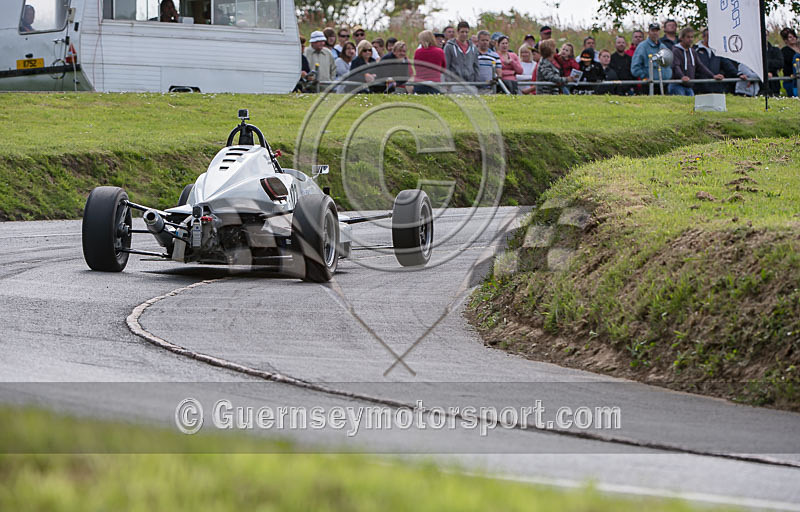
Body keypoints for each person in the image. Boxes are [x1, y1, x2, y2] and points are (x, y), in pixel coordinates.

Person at [669, 27, 722, 96]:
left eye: (692, 37)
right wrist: (682, 76)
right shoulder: (676, 51)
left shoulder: (693, 51)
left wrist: (713, 75)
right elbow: (676, 66)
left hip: (689, 85)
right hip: (677, 85)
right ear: (681, 38)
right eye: (688, 37)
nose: (690, 39)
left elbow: (700, 66)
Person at [694, 27, 738, 94]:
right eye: (708, 36)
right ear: (703, 36)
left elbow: (728, 65)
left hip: (716, 87)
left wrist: (738, 74)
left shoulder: (718, 51)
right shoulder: (695, 50)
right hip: (700, 87)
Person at [780, 28, 800, 97]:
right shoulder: (784, 51)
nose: (793, 38)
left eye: (794, 36)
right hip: (791, 79)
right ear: (786, 40)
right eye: (790, 37)